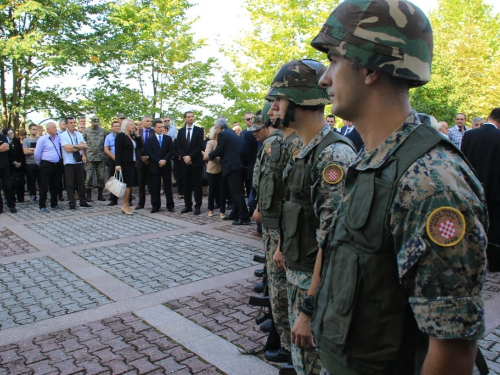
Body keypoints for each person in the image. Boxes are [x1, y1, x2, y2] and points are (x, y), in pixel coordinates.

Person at [307, 1, 488, 374]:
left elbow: (452, 349)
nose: (324, 79)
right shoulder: (371, 159)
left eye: (334, 61)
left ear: (371, 68)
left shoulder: (429, 180)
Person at [266, 59, 356, 375]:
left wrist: (308, 309)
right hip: (297, 272)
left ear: (301, 99)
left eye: (279, 98)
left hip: (313, 287)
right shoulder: (305, 149)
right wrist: (280, 248)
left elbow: (334, 244)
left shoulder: (334, 155)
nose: (273, 106)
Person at [250, 106, 293, 363]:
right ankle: (283, 338)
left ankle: (289, 345)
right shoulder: (276, 141)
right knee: (276, 287)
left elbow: (287, 193)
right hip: (272, 221)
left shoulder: (285, 143)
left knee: (282, 288)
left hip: (280, 225)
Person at [462, 108, 500, 272]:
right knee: (494, 228)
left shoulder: (469, 135)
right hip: (494, 190)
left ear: (488, 118)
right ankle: (494, 262)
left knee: (470, 224)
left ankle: (470, 259)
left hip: (470, 188)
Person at [203, 118, 250, 225]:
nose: (215, 130)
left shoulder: (222, 135)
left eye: (216, 128)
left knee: (237, 192)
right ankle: (235, 213)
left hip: (232, 166)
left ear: (219, 128)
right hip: (236, 165)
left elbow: (219, 149)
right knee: (235, 192)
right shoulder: (231, 133)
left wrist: (208, 155)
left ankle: (244, 216)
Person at [175, 111, 204, 215]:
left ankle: (198, 206)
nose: (191, 118)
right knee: (186, 184)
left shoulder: (199, 130)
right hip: (184, 162)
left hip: (196, 161)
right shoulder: (181, 131)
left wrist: (191, 156)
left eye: (192, 116)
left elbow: (200, 145)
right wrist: (185, 157)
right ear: (185, 119)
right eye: (188, 117)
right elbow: (178, 145)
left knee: (197, 185)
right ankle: (188, 205)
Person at [60, 116, 91, 209]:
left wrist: (78, 149)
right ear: (66, 124)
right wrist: (79, 146)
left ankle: (83, 201)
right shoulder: (63, 135)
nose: (73, 124)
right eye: (70, 123)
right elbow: (67, 149)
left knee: (81, 183)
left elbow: (85, 146)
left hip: (79, 162)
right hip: (69, 162)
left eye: (74, 123)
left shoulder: (78, 134)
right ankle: (72, 202)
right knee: (70, 183)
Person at [145, 118, 174, 213]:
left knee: (168, 186)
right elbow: (149, 152)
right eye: (159, 127)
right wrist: (158, 161)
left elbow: (171, 151)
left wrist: (165, 160)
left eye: (162, 127)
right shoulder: (150, 140)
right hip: (155, 166)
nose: (161, 129)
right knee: (155, 187)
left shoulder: (168, 138)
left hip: (166, 165)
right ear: (154, 128)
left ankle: (170, 205)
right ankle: (155, 205)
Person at [115, 118, 142, 214]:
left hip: (131, 163)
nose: (133, 126)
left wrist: (137, 135)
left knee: (130, 185)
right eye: (131, 124)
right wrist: (117, 164)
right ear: (125, 125)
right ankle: (125, 205)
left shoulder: (132, 136)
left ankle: (126, 205)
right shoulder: (121, 136)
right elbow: (117, 151)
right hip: (124, 163)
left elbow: (140, 146)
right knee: (126, 185)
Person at [33, 122, 62, 212]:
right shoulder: (43, 139)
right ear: (48, 129)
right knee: (44, 186)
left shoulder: (57, 138)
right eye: (53, 127)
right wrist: (40, 163)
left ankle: (54, 203)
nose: (55, 129)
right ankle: (42, 205)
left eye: (55, 127)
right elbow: (37, 153)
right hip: (46, 164)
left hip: (56, 164)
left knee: (55, 185)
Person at [83, 116, 107, 202]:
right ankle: (88, 195)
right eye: (94, 123)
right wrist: (83, 155)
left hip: (100, 157)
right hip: (90, 157)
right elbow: (82, 144)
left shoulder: (102, 131)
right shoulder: (86, 131)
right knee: (89, 177)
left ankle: (100, 195)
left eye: (97, 123)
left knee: (101, 177)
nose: (96, 125)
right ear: (91, 122)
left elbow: (105, 143)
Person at [203, 126, 225, 218]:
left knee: (222, 190)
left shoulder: (224, 142)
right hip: (212, 170)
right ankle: (210, 209)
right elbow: (206, 156)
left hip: (222, 169)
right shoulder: (210, 142)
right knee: (212, 190)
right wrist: (218, 159)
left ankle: (222, 211)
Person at [135, 116, 153, 209]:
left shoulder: (154, 132)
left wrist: (148, 157)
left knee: (152, 184)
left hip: (151, 161)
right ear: (142, 122)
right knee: (141, 184)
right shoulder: (138, 133)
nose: (149, 122)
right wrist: (141, 157)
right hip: (140, 161)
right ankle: (141, 203)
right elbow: (135, 147)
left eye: (150, 121)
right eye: (147, 121)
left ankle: (154, 203)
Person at [3, 128, 26, 203]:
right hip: (10, 164)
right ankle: (12, 198)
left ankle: (21, 198)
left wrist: (20, 162)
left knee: (20, 181)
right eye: (10, 134)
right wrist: (13, 162)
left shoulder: (17, 141)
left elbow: (21, 152)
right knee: (11, 182)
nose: (12, 135)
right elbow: (6, 154)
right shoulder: (5, 142)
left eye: (12, 133)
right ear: (6, 135)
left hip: (19, 162)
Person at [104, 120, 121, 206]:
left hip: (122, 160)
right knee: (113, 179)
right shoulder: (108, 137)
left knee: (124, 178)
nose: (117, 127)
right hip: (112, 159)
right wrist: (113, 156)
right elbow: (106, 149)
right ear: (112, 127)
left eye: (118, 126)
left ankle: (127, 199)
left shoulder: (123, 136)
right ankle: (113, 199)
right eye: (115, 126)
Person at [23, 124, 41, 203]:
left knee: (41, 180)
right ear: (30, 130)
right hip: (30, 163)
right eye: (33, 129)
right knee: (31, 181)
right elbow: (25, 151)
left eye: (36, 129)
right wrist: (36, 150)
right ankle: (32, 195)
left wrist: (31, 149)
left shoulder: (40, 139)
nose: (35, 131)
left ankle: (42, 195)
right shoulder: (26, 140)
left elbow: (42, 150)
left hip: (39, 163)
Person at [0, 131, 16, 213]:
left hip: (4, 166)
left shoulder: (2, 137)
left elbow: (6, 147)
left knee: (8, 186)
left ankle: (11, 205)